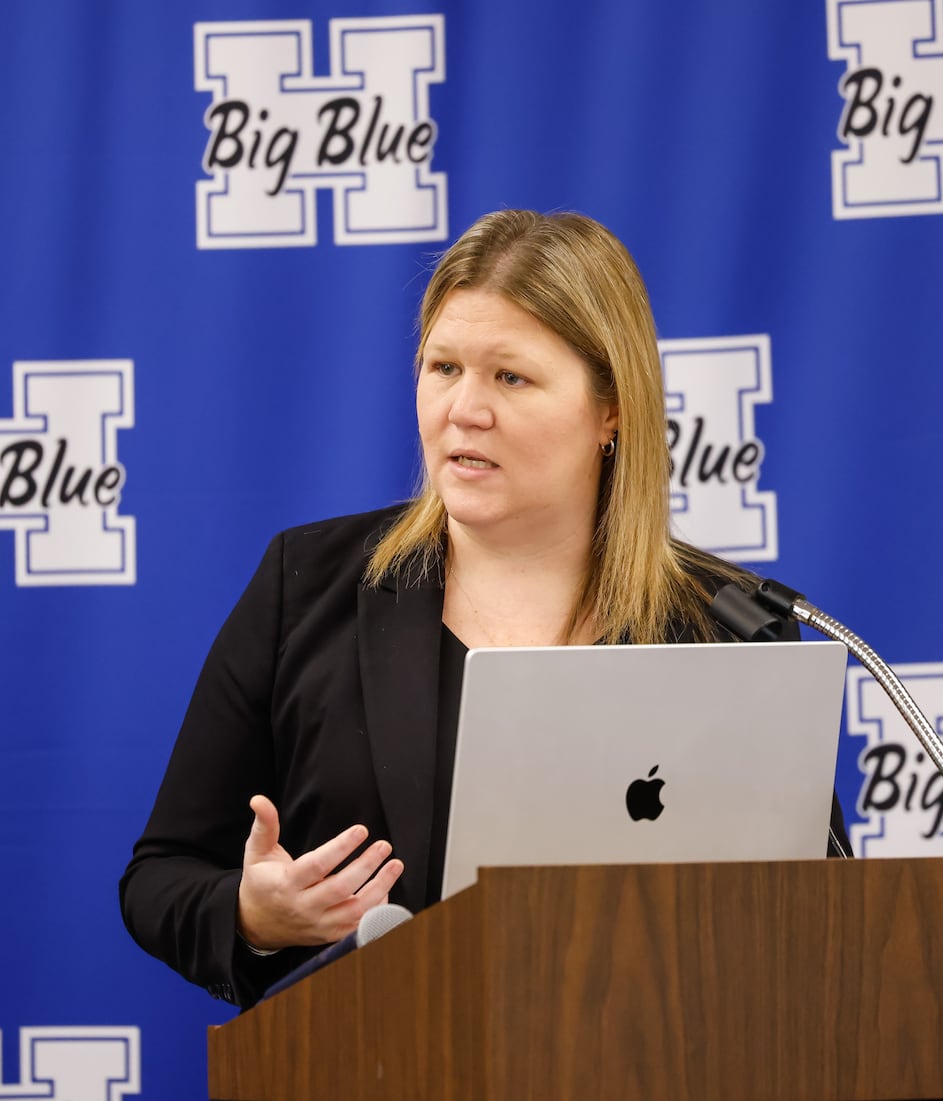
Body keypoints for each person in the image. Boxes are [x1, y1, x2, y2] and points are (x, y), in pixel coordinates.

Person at [119, 209, 850, 1009]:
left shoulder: (727, 624)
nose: (463, 409)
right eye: (443, 368)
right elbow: (161, 877)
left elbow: (826, 909)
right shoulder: (306, 586)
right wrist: (255, 913)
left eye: (510, 376)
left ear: (611, 409)